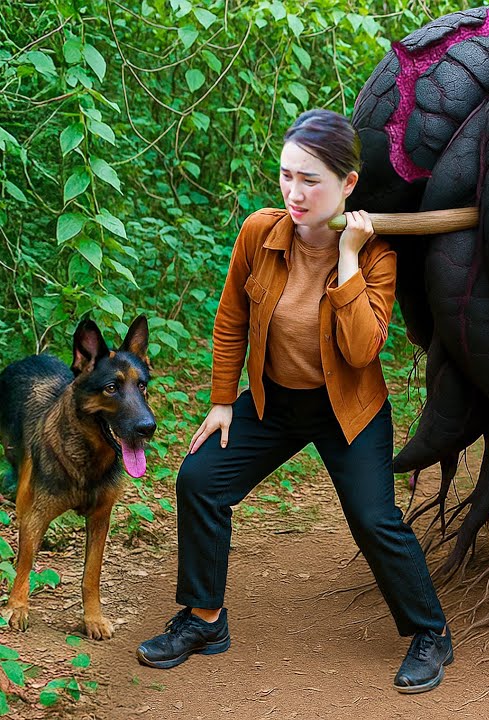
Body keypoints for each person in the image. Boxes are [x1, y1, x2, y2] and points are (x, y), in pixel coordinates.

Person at [136, 109, 452, 694]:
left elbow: (361, 352)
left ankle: (429, 633)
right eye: (287, 175)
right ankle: (205, 620)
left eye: (311, 179)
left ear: (348, 184)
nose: (295, 192)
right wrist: (223, 400)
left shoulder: (379, 253)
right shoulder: (260, 232)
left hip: (347, 407)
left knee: (373, 517)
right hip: (271, 402)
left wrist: (351, 257)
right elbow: (231, 316)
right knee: (201, 480)